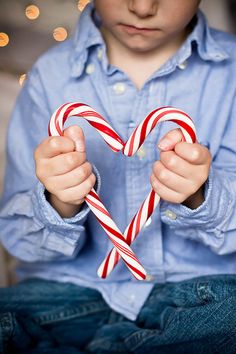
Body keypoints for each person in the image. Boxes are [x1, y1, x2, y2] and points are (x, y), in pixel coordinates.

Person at [0, 0, 236, 352]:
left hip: (199, 291)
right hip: (69, 293)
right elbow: (19, 240)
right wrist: (59, 200)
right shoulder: (50, 75)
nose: (142, 7)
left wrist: (199, 195)